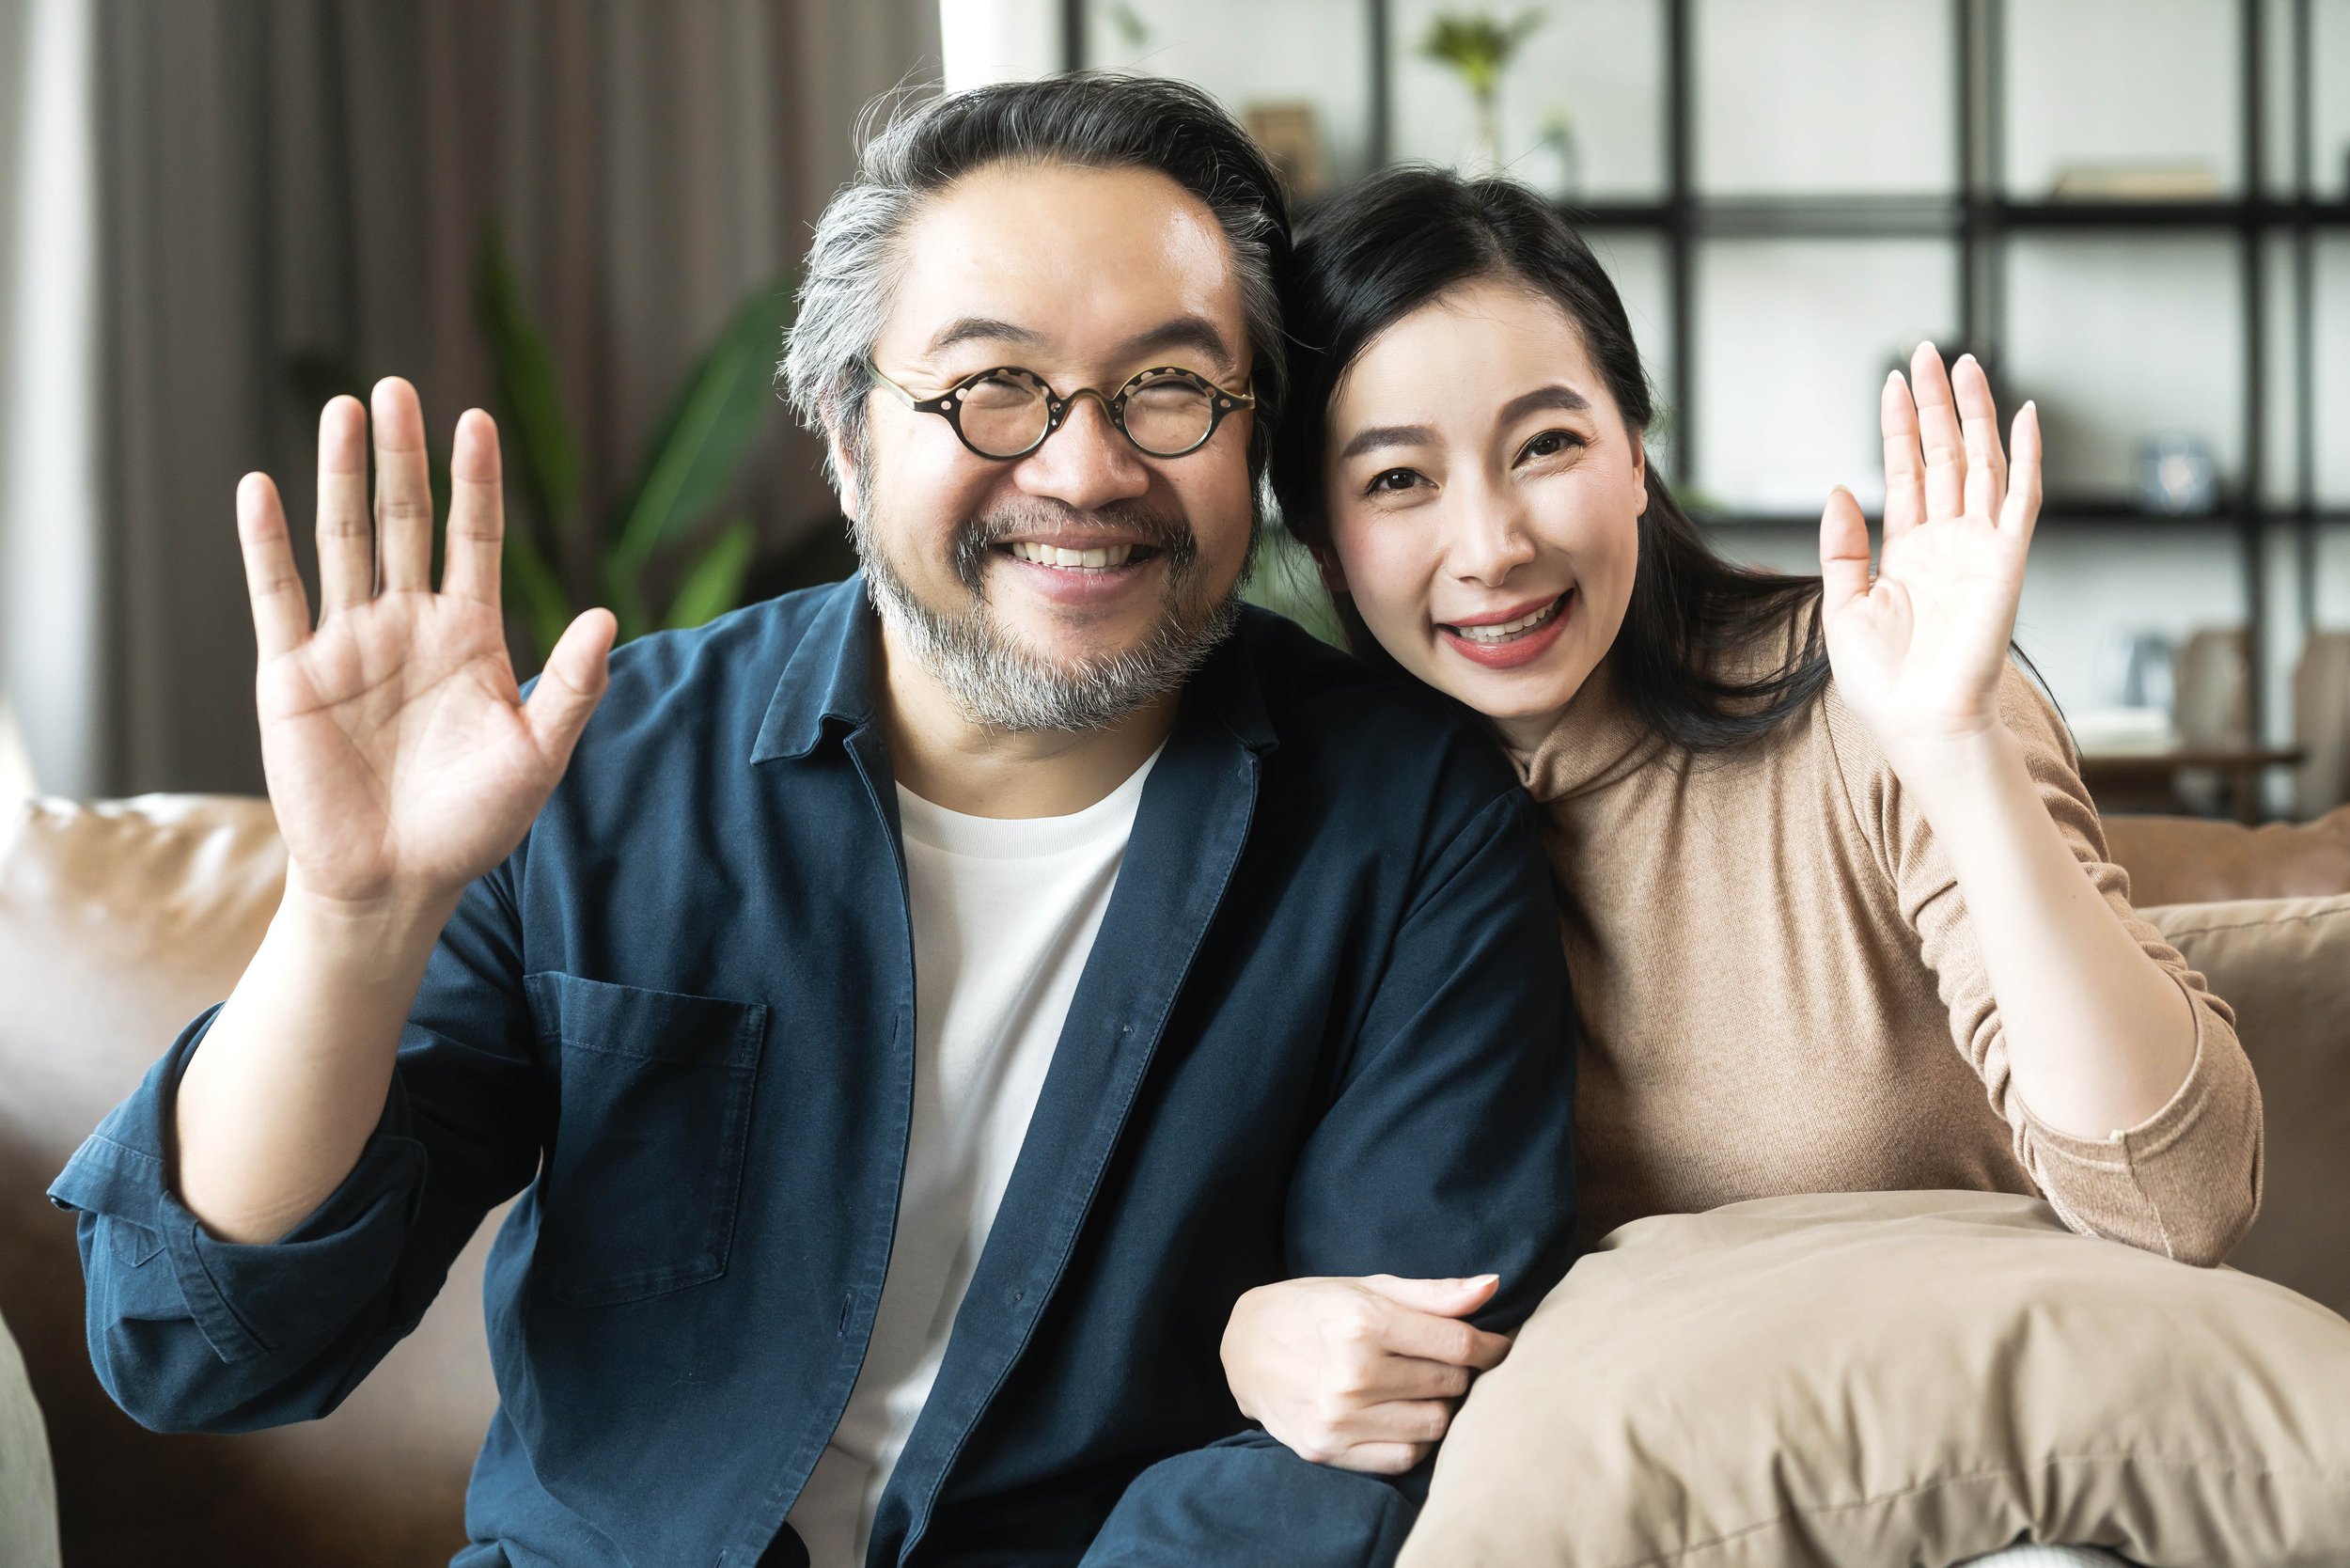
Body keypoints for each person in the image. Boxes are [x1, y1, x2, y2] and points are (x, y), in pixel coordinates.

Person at [49, 86, 1578, 1568]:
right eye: (992, 385)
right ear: (848, 438)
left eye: (1170, 387)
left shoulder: (1410, 824)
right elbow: (198, 1347)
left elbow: (1367, 1428)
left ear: (1252, 439)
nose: (1087, 466)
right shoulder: (596, 767)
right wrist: (353, 919)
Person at [1218, 167, 2264, 1543]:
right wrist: (1248, 1342)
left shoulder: (1870, 696)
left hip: (1983, 1496)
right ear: (1327, 546)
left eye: (1545, 445)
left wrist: (1955, 750)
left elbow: (2181, 1198)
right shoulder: (1313, 822)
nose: (1493, 546)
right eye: (1399, 480)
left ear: (1634, 452)